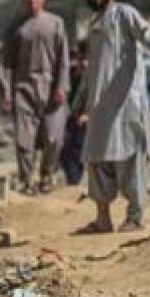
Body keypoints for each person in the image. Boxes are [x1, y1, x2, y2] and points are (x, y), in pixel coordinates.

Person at [72, 0, 150, 234]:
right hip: (99, 108)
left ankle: (135, 216)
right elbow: (91, 70)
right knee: (97, 160)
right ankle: (102, 218)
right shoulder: (93, 23)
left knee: (131, 159)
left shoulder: (123, 14)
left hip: (127, 104)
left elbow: (146, 31)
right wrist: (79, 103)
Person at [0, 0, 71, 195]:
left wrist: (62, 86)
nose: (32, 0)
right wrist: (6, 93)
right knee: (24, 140)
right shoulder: (16, 28)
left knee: (54, 137)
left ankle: (47, 175)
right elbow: (6, 63)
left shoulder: (56, 23)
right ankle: (26, 180)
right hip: (23, 89)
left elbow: (63, 58)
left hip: (52, 88)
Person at [60, 40, 89, 187]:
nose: (84, 64)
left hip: (91, 119)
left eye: (88, 60)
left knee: (78, 145)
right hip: (70, 117)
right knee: (66, 147)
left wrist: (87, 115)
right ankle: (73, 181)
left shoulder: (97, 77)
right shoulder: (70, 75)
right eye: (82, 59)